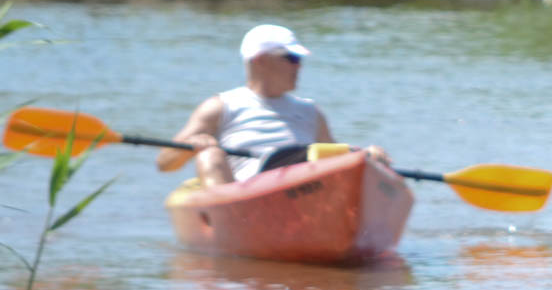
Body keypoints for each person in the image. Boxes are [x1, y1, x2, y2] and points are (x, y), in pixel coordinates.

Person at [156, 24, 385, 185]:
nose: (299, 67)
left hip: (302, 186)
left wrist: (366, 155)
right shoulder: (220, 106)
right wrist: (192, 145)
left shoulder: (311, 112)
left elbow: (338, 162)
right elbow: (164, 164)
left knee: (360, 157)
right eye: (292, 59)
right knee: (209, 156)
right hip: (246, 197)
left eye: (300, 60)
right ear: (260, 60)